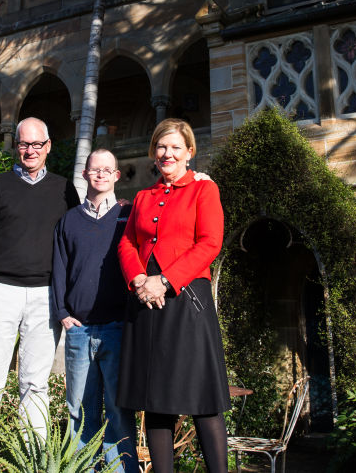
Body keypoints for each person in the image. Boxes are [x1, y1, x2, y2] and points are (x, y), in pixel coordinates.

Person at [116, 118, 230, 473]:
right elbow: (127, 242)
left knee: (202, 398)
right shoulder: (143, 197)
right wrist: (137, 278)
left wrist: (164, 281)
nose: (167, 153)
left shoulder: (203, 190)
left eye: (175, 147)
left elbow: (210, 242)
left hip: (186, 302)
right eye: (162, 147)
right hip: (147, 303)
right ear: (154, 151)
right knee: (156, 400)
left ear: (189, 152)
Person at [0, 116, 80, 438]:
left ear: (48, 147)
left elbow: (76, 241)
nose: (31, 150)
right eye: (24, 144)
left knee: (35, 383)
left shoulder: (64, 190)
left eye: (37, 144)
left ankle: (32, 453)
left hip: (45, 296)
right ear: (16, 146)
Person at [51, 148, 139, 472]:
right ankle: (84, 468)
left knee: (118, 411)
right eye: (94, 169)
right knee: (79, 411)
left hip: (117, 329)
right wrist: (62, 313)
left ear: (116, 176)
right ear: (86, 174)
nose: (100, 174)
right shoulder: (69, 221)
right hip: (79, 332)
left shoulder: (127, 218)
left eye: (107, 169)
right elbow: (59, 269)